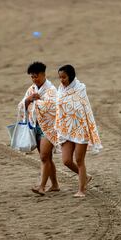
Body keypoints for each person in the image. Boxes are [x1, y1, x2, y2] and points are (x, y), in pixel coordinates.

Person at [55, 64, 102, 197]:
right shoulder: (60, 89)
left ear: (71, 76)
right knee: (66, 161)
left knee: (80, 160)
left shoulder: (80, 88)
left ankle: (81, 190)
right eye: (60, 77)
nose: (61, 80)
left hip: (80, 128)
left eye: (64, 77)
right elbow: (60, 108)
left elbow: (80, 107)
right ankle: (85, 177)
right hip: (66, 129)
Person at [17, 62, 59, 196]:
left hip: (50, 127)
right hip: (36, 126)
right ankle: (55, 185)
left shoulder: (51, 90)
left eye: (36, 76)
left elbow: (52, 107)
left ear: (43, 74)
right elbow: (21, 105)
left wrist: (37, 101)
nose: (35, 79)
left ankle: (42, 186)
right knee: (48, 158)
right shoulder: (31, 89)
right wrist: (28, 100)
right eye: (32, 77)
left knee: (44, 156)